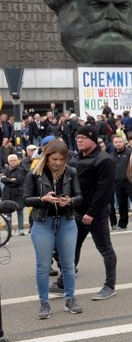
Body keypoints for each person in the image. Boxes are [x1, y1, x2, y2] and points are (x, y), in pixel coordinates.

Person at [54, 124, 119, 301]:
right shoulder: (76, 159)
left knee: (105, 249)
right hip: (77, 211)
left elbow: (104, 191)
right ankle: (63, 283)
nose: (79, 140)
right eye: (77, 138)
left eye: (83, 138)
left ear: (93, 140)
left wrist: (91, 213)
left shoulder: (104, 160)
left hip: (95, 214)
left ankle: (110, 286)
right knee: (71, 247)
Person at [23, 140, 83, 319]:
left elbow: (80, 196)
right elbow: (25, 199)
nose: (57, 162)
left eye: (61, 159)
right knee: (42, 266)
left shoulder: (71, 172)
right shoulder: (34, 174)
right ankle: (44, 303)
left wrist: (70, 201)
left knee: (68, 265)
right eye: (54, 158)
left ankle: (70, 299)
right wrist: (42, 199)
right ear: (46, 156)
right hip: (42, 223)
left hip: (67, 222)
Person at [109, 134, 132, 230]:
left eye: (120, 142)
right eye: (116, 142)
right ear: (113, 143)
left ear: (123, 142)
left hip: (130, 182)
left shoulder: (130, 153)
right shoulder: (111, 155)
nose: (118, 144)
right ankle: (122, 224)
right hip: (118, 183)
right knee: (121, 204)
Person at [1, 154, 27, 235]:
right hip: (7, 194)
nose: (13, 162)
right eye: (11, 160)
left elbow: (19, 180)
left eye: (14, 160)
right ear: (8, 162)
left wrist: (7, 179)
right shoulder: (5, 169)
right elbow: (2, 180)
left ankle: (21, 229)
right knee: (7, 212)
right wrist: (11, 179)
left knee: (20, 211)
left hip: (18, 193)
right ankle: (9, 231)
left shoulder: (21, 169)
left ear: (17, 161)